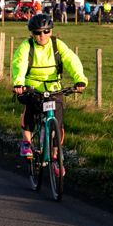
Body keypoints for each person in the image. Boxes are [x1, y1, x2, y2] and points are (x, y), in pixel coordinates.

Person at [11, 13, 87, 162]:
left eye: (46, 31)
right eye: (37, 32)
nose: (42, 35)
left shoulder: (57, 44)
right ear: (32, 33)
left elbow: (71, 60)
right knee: (30, 110)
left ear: (51, 31)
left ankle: (56, 153)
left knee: (57, 121)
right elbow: (19, 64)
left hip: (53, 88)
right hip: (32, 87)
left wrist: (80, 80)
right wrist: (19, 83)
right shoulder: (27, 46)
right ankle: (26, 143)